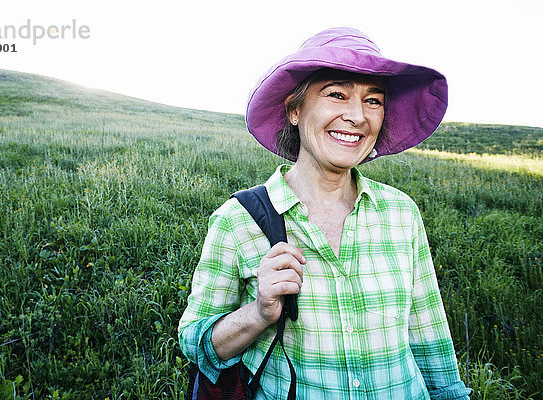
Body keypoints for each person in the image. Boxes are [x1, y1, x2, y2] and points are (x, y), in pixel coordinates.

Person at [179, 27, 472, 399]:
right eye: (336, 94)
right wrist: (258, 314)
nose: (357, 116)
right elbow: (195, 343)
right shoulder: (237, 221)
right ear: (295, 110)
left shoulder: (401, 213)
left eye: (374, 100)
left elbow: (430, 338)